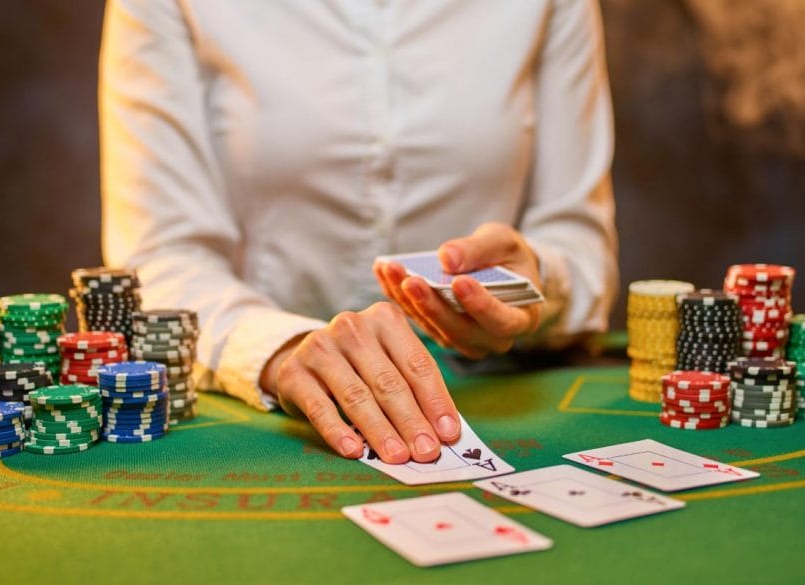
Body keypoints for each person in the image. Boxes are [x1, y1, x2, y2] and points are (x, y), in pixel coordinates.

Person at [99, 0, 618, 464]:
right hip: (267, 409)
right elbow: (161, 258)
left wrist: (537, 286)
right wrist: (280, 348)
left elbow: (582, 246)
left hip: (494, 387)